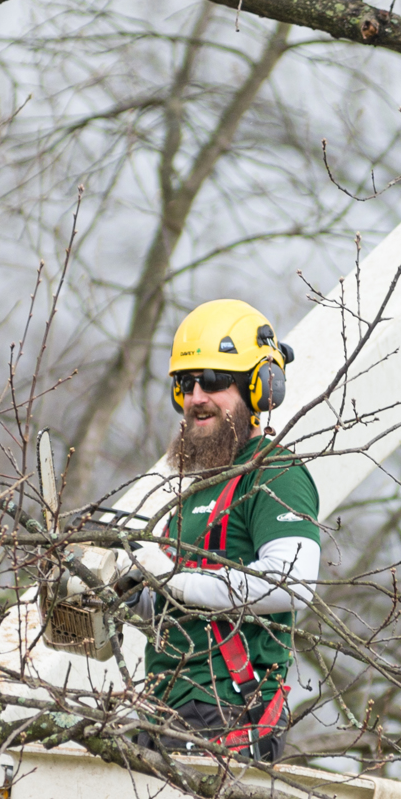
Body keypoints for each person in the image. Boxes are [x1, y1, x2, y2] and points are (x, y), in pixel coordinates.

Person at [122, 299, 318, 764]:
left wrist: (171, 577)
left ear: (259, 388)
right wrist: (134, 592)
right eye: (186, 384)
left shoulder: (273, 473)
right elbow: (184, 611)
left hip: (226, 715)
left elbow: (291, 583)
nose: (196, 398)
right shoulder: (193, 488)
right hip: (162, 710)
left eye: (213, 381)